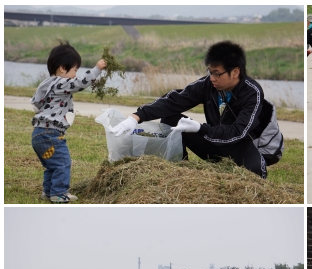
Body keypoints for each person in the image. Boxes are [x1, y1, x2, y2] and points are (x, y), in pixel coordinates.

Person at [110, 41, 271, 178]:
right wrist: (136, 117)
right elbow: (174, 101)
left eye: (217, 74)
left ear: (235, 72)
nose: (212, 78)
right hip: (213, 142)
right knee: (172, 119)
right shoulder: (208, 85)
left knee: (255, 172)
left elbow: (238, 132)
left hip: (240, 145)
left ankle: (251, 166)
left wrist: (201, 129)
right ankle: (181, 173)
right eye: (210, 72)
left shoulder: (252, 93)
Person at [30, 40, 106, 203]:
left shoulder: (45, 84)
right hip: (51, 134)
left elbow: (35, 104)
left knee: (52, 164)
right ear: (62, 68)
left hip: (38, 134)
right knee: (63, 163)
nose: (75, 75)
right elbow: (80, 83)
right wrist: (97, 69)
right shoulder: (61, 83)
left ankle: (49, 191)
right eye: (75, 70)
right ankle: (58, 193)